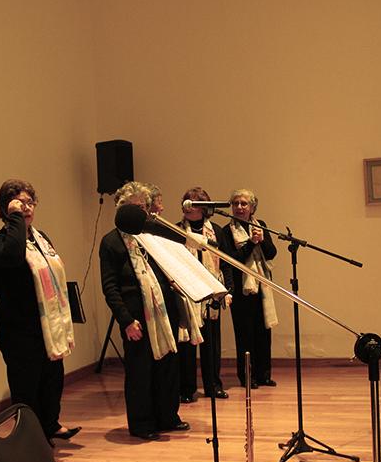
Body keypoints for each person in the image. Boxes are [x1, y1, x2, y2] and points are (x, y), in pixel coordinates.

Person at [0, 179, 80, 442]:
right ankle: (31, 437)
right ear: (6, 208)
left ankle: (50, 424)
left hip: (47, 323)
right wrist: (15, 219)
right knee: (27, 383)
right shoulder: (1, 241)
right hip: (19, 326)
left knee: (52, 378)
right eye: (19, 203)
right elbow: (13, 257)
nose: (26, 208)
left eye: (29, 202)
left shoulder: (41, 239)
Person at [99, 181, 189, 440]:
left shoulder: (153, 236)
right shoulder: (111, 242)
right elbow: (110, 286)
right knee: (141, 372)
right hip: (135, 317)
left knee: (168, 367)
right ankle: (142, 424)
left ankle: (167, 417)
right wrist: (126, 320)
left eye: (143, 206)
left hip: (163, 312)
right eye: (134, 206)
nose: (141, 211)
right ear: (121, 209)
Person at [177, 187, 233, 402]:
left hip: (212, 293)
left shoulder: (216, 231)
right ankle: (187, 388)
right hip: (188, 292)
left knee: (212, 343)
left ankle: (213, 385)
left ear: (204, 208)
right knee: (189, 344)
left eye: (194, 203)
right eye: (186, 202)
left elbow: (226, 263)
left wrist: (227, 290)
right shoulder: (177, 230)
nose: (188, 207)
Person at [221, 188, 278, 388]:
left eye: (244, 203)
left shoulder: (260, 226)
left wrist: (261, 241)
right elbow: (231, 260)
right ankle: (247, 376)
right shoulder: (227, 231)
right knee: (245, 335)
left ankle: (264, 374)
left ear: (252, 207)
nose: (239, 207)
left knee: (263, 333)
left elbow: (271, 253)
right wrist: (251, 244)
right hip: (241, 289)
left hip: (262, 286)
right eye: (235, 203)